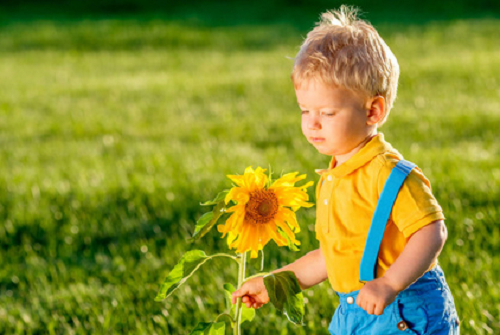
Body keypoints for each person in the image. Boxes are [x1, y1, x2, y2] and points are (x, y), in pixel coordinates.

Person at [231, 5, 460, 334]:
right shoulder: (334, 177)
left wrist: (389, 283)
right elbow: (329, 256)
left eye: (327, 112)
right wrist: (274, 283)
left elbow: (432, 232)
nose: (312, 124)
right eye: (305, 110)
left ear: (372, 111)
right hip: (354, 311)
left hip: (405, 309)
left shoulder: (388, 173)